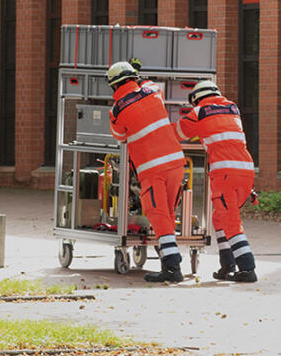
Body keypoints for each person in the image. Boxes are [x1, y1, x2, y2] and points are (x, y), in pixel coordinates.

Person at [107, 61, 188, 283]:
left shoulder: (116, 110)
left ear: (114, 86)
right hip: (176, 163)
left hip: (152, 169)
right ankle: (170, 262)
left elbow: (120, 136)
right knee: (169, 213)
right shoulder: (153, 90)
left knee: (157, 213)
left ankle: (172, 268)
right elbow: (149, 86)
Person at [177, 80, 259, 282]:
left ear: (196, 98)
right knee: (220, 217)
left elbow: (180, 133)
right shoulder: (232, 108)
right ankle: (227, 264)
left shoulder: (199, 111)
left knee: (230, 220)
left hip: (224, 172)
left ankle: (247, 268)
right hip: (246, 170)